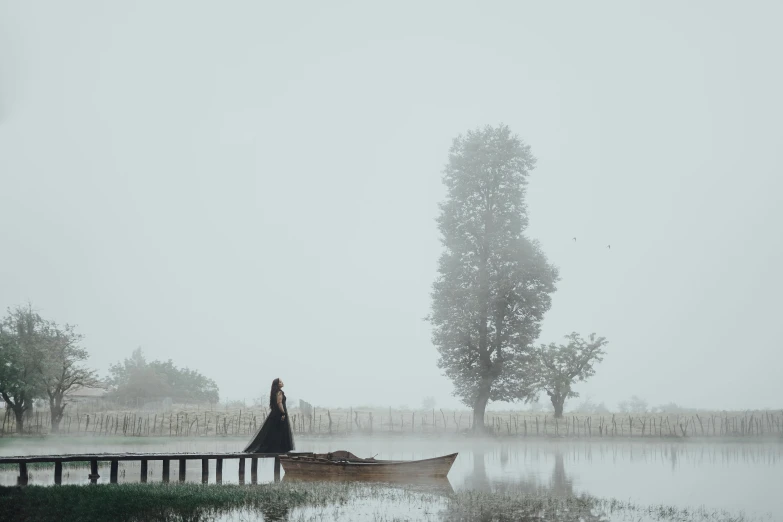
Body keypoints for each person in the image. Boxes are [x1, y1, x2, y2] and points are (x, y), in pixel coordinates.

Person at [243, 378, 295, 453]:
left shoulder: (274, 392)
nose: (282, 382)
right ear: (277, 384)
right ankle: (280, 448)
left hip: (275, 413)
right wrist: (283, 413)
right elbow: (279, 403)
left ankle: (275, 448)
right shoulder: (279, 392)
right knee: (280, 430)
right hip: (279, 414)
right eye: (280, 382)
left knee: (273, 431)